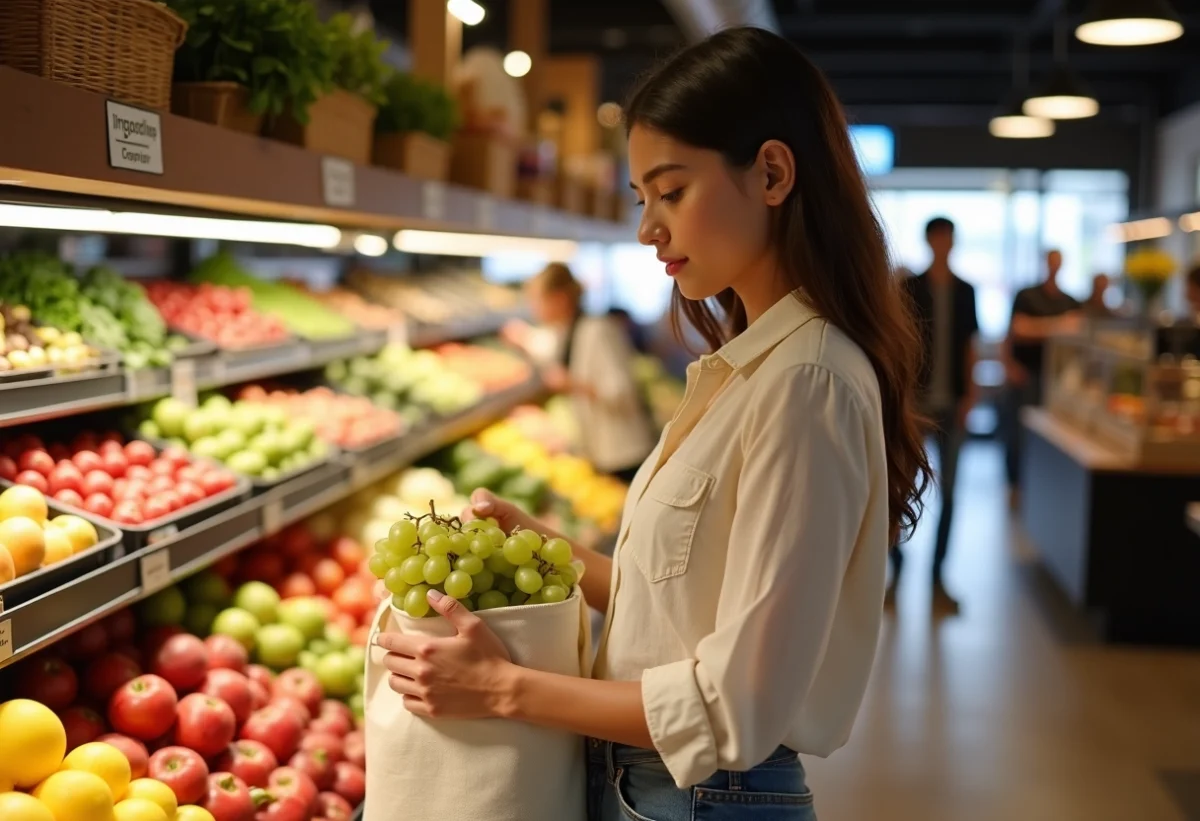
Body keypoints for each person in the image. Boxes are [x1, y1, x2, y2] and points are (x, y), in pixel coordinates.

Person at [372, 27, 931, 821]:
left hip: (702, 797)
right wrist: (549, 548)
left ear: (771, 173)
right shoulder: (744, 367)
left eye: (671, 192)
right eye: (642, 199)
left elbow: (736, 704)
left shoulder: (806, 381)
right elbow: (674, 608)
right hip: (657, 788)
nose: (648, 228)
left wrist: (503, 688)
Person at [891, 216, 979, 614]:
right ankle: (896, 570)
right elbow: (900, 346)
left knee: (951, 494)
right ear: (930, 241)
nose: (943, 243)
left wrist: (971, 396)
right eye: (938, 237)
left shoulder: (965, 291)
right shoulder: (909, 288)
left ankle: (938, 577)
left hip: (952, 402)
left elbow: (970, 346)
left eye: (948, 238)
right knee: (899, 490)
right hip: (917, 406)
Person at [504, 262, 656, 484]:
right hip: (600, 452)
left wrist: (573, 384)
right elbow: (547, 346)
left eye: (536, 300)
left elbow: (621, 392)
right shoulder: (567, 329)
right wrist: (523, 338)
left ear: (560, 298)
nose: (533, 308)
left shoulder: (598, 330)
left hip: (623, 453)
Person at [1003, 249, 1082, 508]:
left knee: (1049, 438)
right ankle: (1016, 485)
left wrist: (1038, 328)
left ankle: (1039, 487)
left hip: (1056, 380)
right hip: (1025, 376)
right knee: (1017, 435)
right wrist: (1059, 326)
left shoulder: (1069, 300)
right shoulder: (1027, 296)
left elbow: (1077, 334)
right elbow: (1016, 332)